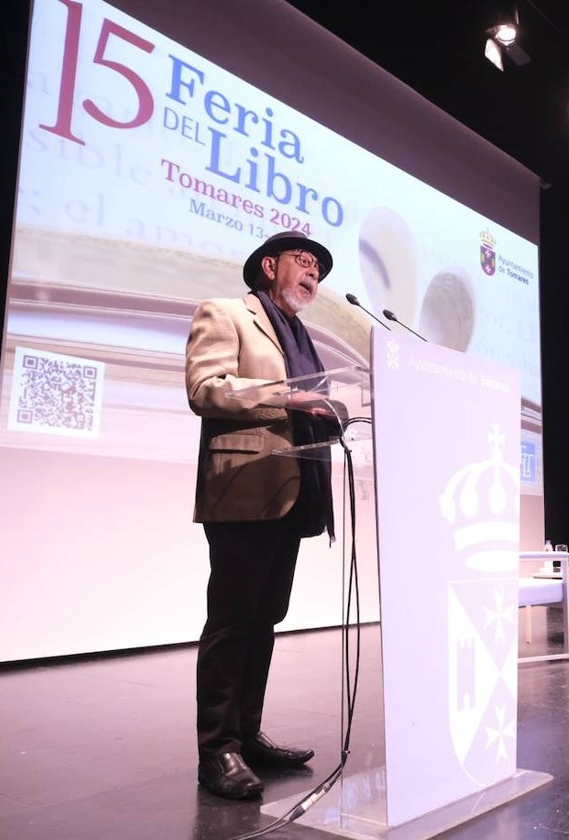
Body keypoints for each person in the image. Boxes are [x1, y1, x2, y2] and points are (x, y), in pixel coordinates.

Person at [184, 231, 341, 799]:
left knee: (265, 620)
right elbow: (206, 389)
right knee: (230, 624)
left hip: (296, 493)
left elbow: (306, 402)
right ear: (268, 266)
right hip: (246, 489)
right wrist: (292, 398)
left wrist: (331, 415)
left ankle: (247, 735)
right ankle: (216, 751)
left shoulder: (303, 336)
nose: (313, 277)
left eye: (319, 272)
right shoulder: (226, 313)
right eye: (305, 264)